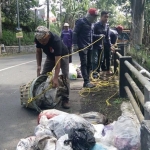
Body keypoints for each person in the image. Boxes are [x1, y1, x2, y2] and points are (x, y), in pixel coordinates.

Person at [34, 26, 70, 109]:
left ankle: (66, 99)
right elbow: (38, 52)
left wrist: (55, 78)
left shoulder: (56, 40)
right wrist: (38, 66)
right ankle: (40, 97)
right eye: (40, 41)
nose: (42, 42)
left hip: (62, 55)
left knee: (65, 76)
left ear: (48, 36)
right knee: (43, 76)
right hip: (50, 56)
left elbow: (58, 62)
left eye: (44, 40)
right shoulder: (38, 38)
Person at [73, 8, 99, 88]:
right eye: (94, 16)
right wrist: (75, 44)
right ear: (89, 15)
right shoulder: (81, 22)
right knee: (84, 63)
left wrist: (99, 36)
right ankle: (86, 81)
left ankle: (87, 81)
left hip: (89, 46)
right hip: (82, 46)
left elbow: (91, 35)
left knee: (89, 63)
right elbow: (75, 33)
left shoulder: (92, 24)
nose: (95, 18)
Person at [92, 11, 112, 78]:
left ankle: (97, 72)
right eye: (105, 17)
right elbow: (91, 35)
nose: (106, 18)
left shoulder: (107, 26)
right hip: (95, 45)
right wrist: (98, 36)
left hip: (102, 46)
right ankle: (94, 73)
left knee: (101, 60)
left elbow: (107, 37)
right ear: (101, 17)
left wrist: (110, 46)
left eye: (107, 17)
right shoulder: (95, 25)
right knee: (95, 60)